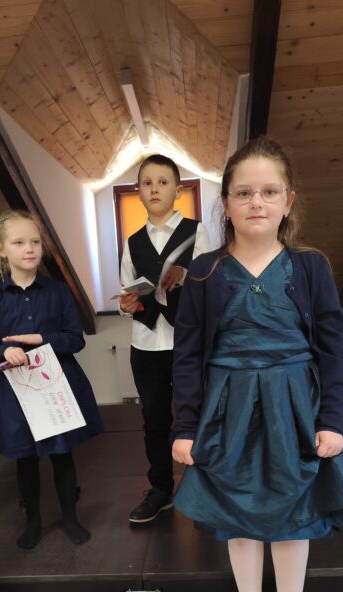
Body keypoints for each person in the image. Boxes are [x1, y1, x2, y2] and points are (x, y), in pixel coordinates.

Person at [172, 136, 343, 592]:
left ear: (288, 201)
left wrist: (332, 419)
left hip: (295, 407)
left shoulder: (310, 267)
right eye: (243, 192)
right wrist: (184, 426)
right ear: (226, 204)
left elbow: (333, 350)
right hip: (226, 408)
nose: (256, 202)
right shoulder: (203, 272)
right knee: (240, 513)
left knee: (292, 513)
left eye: (269, 191)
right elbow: (187, 356)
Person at [0, 210, 103, 549]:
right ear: (1, 250)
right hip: (17, 392)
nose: (30, 248)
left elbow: (75, 339)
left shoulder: (59, 291)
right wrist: (5, 351)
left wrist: (41, 339)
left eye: (35, 242)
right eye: (19, 242)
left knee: (62, 454)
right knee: (26, 458)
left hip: (55, 386)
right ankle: (32, 521)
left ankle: (70, 518)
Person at [119, 154, 210, 523]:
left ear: (177, 190)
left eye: (162, 182)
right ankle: (160, 489)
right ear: (139, 192)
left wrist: (185, 275)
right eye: (147, 183)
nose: (154, 189)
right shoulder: (132, 242)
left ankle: (205, 489)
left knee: (198, 415)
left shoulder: (196, 231)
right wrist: (125, 305)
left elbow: (210, 285)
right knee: (153, 419)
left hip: (186, 341)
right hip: (144, 343)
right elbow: (128, 292)